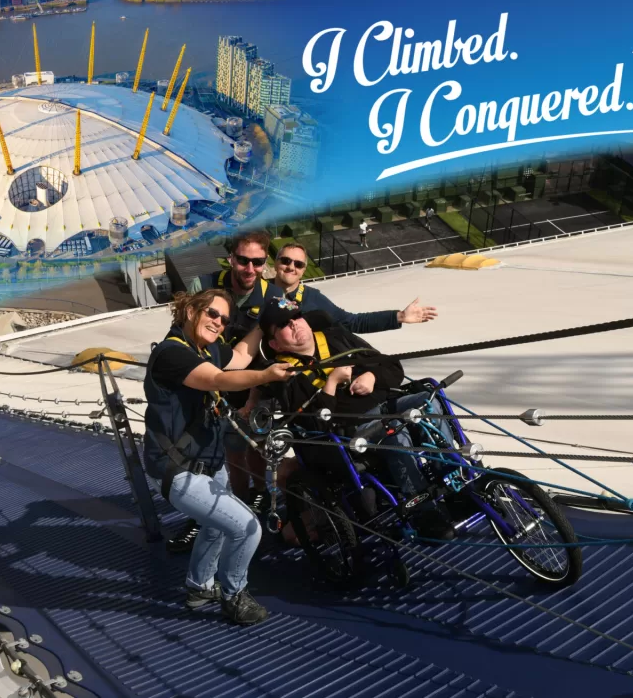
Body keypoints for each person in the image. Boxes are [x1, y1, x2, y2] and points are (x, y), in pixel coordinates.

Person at [143, 288, 291, 625]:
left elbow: (238, 356)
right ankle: (234, 595)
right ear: (190, 310)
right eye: (212, 314)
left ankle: (199, 586)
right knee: (247, 527)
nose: (218, 323)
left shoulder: (203, 348)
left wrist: (263, 320)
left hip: (207, 463)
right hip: (176, 469)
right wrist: (267, 375)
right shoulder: (172, 354)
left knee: (216, 527)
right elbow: (220, 378)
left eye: (224, 319)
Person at [256, 297, 456, 540]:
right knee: (393, 429)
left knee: (429, 399)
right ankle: (422, 509)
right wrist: (331, 383)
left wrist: (372, 375)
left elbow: (392, 367)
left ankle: (452, 476)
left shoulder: (336, 337)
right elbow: (314, 425)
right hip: (348, 429)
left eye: (297, 317)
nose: (296, 324)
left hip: (386, 403)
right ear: (275, 344)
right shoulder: (284, 374)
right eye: (285, 325)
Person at [169, 232, 283, 553]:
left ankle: (257, 494)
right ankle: (227, 506)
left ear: (265, 264)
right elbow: (183, 335)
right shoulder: (203, 286)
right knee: (218, 452)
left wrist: (253, 397)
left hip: (253, 385)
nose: (249, 268)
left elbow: (264, 355)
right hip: (210, 383)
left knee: (256, 443)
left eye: (258, 262)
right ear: (230, 258)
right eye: (243, 260)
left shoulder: (272, 297)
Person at [273, 242, 437, 334]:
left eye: (299, 264)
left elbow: (353, 322)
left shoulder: (312, 297)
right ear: (276, 262)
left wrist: (399, 316)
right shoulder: (259, 291)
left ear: (303, 271)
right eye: (286, 261)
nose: (291, 267)